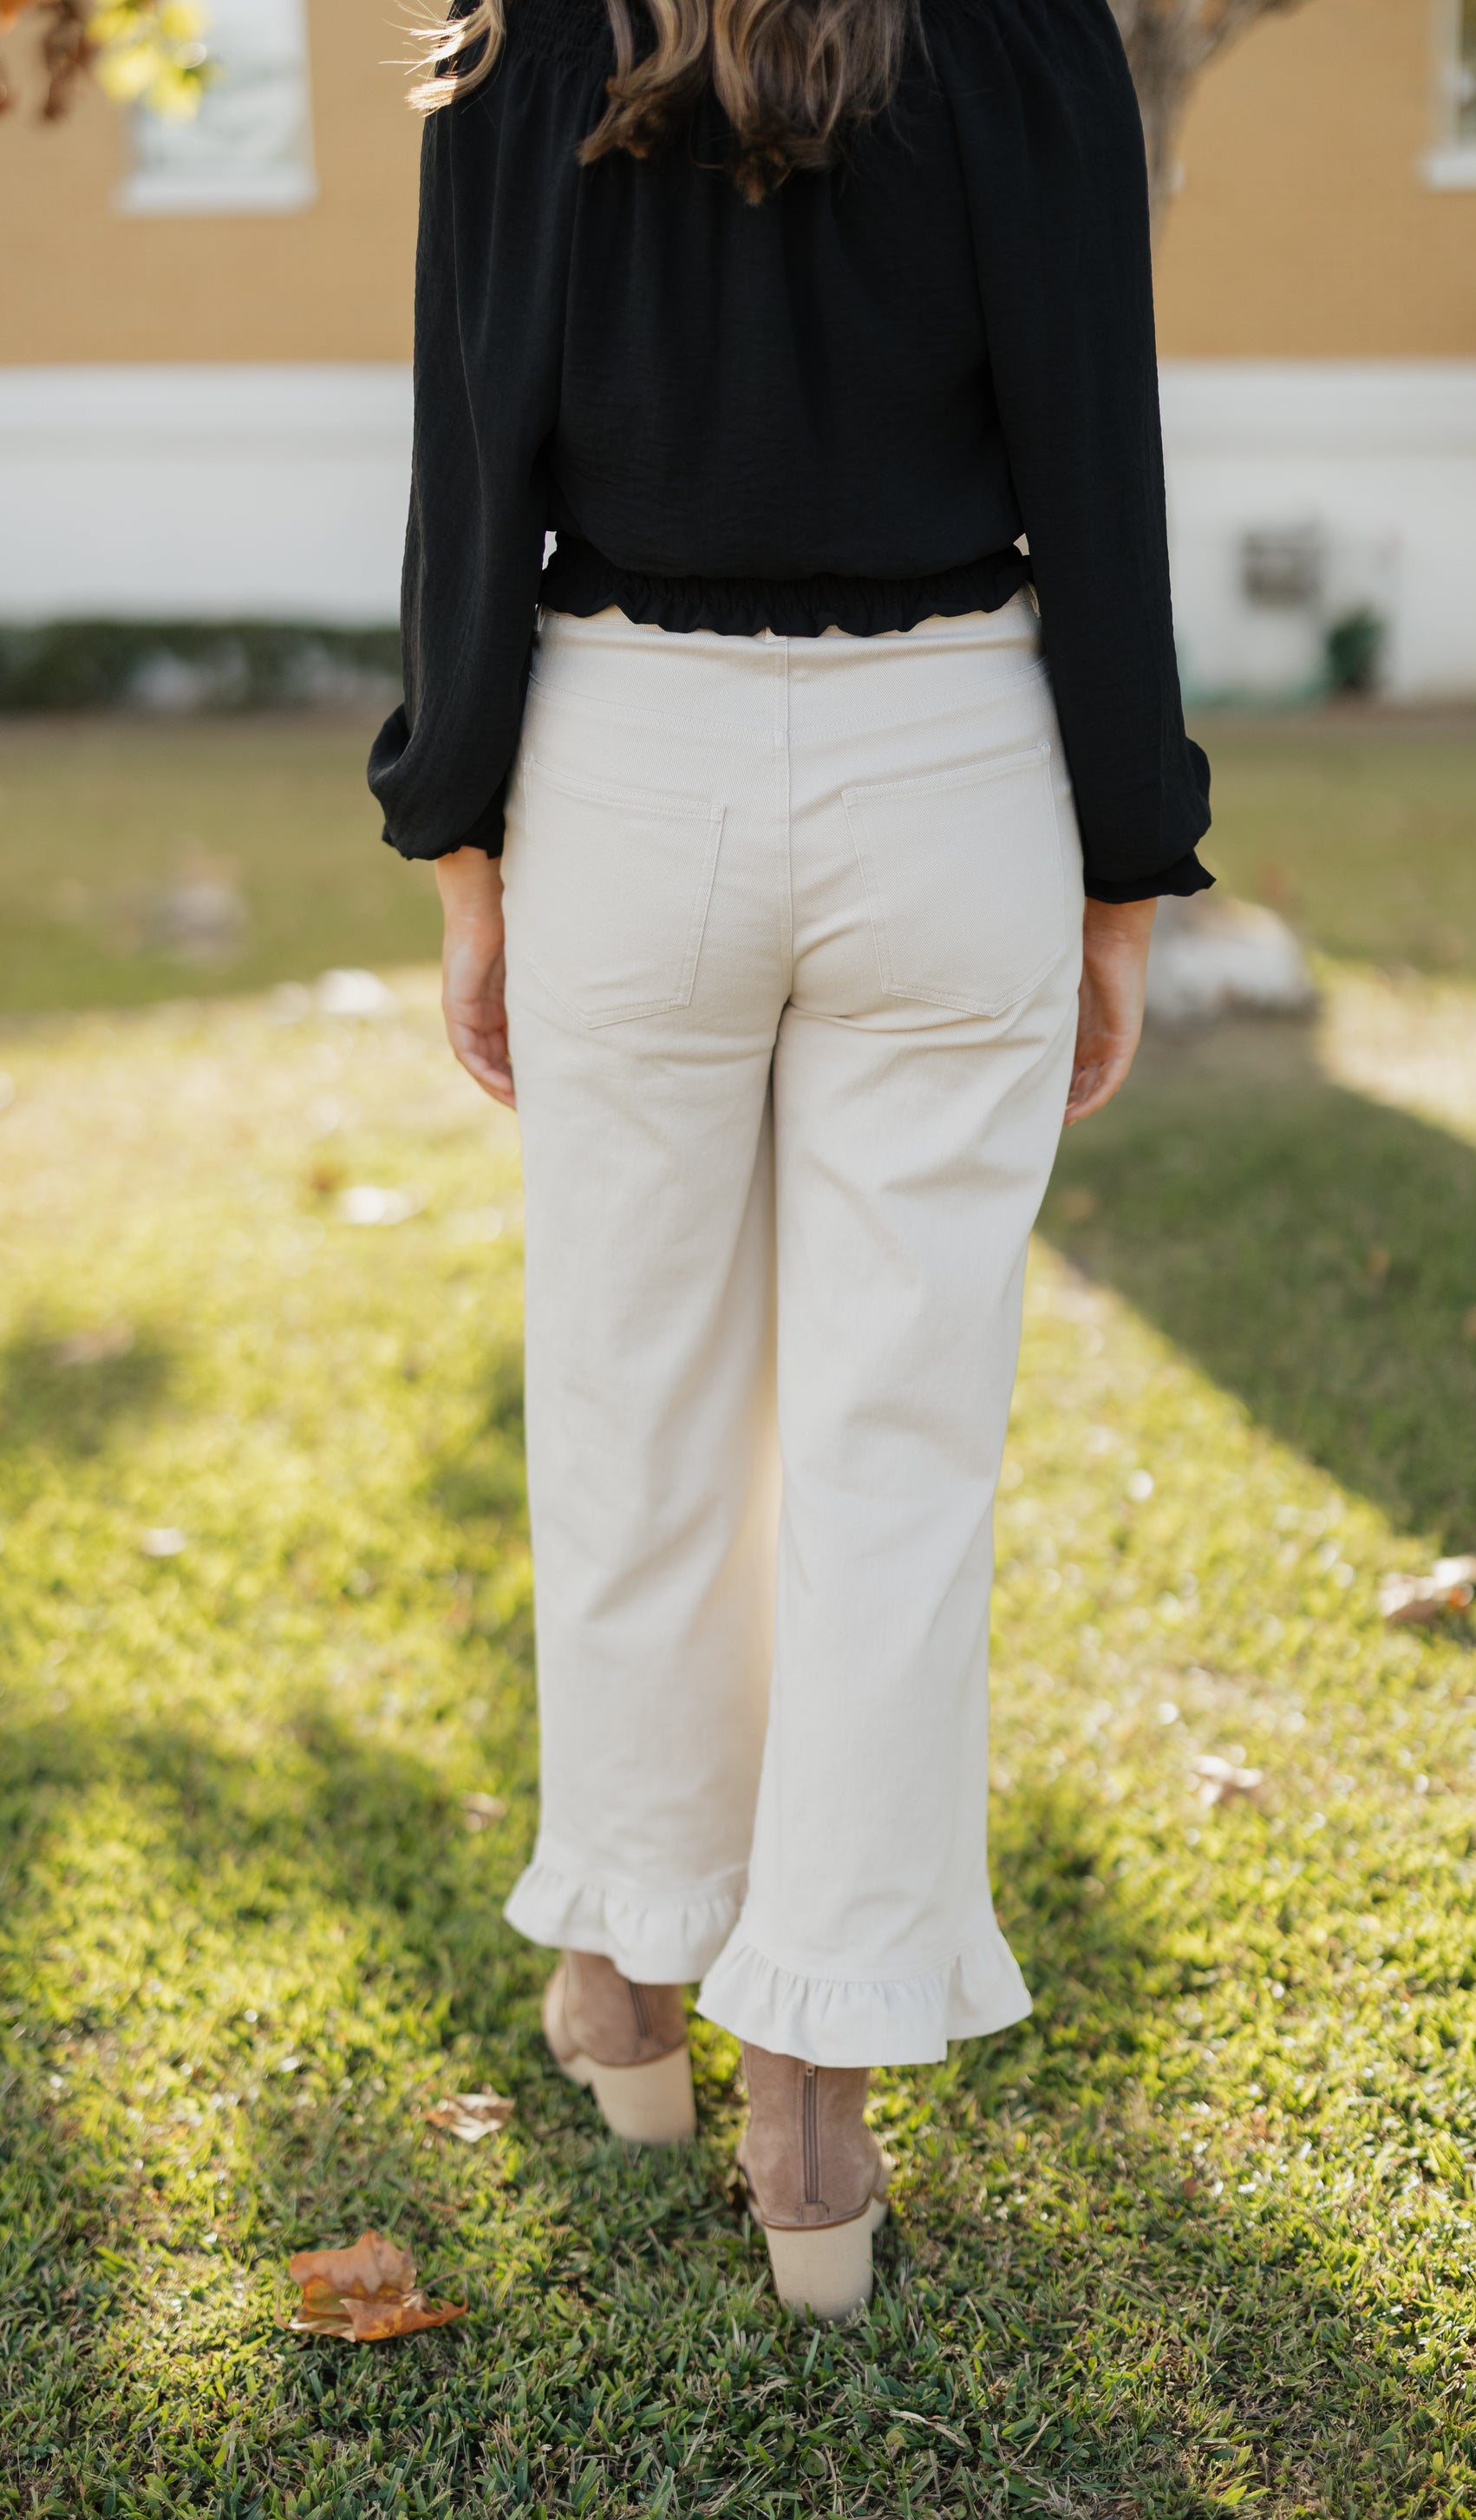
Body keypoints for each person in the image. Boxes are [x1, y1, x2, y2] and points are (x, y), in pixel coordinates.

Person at [369, 0, 1212, 2320]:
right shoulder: (1032, 45)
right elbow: (1097, 462)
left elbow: (470, 447)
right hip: (952, 765)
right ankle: (814, 2099)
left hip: (621, 763)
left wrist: (460, 847)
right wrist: (1122, 868)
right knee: (892, 1444)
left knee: (633, 1404)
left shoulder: (530, 44)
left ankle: (628, 1978)